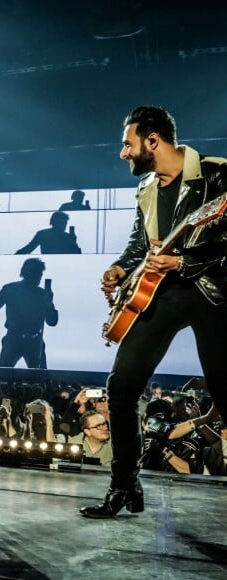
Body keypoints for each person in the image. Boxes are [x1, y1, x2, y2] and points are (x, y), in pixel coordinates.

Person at [80, 105, 227, 519]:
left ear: (152, 140)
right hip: (157, 295)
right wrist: (119, 268)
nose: (123, 153)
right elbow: (141, 245)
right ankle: (124, 485)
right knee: (121, 388)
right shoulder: (146, 188)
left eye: (127, 144)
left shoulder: (217, 175)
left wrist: (183, 264)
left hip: (212, 293)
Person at [15, 211, 81, 254]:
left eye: (64, 223)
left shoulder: (68, 237)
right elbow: (29, 248)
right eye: (61, 222)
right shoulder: (42, 234)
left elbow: (77, 254)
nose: (64, 225)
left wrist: (74, 242)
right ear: (54, 222)